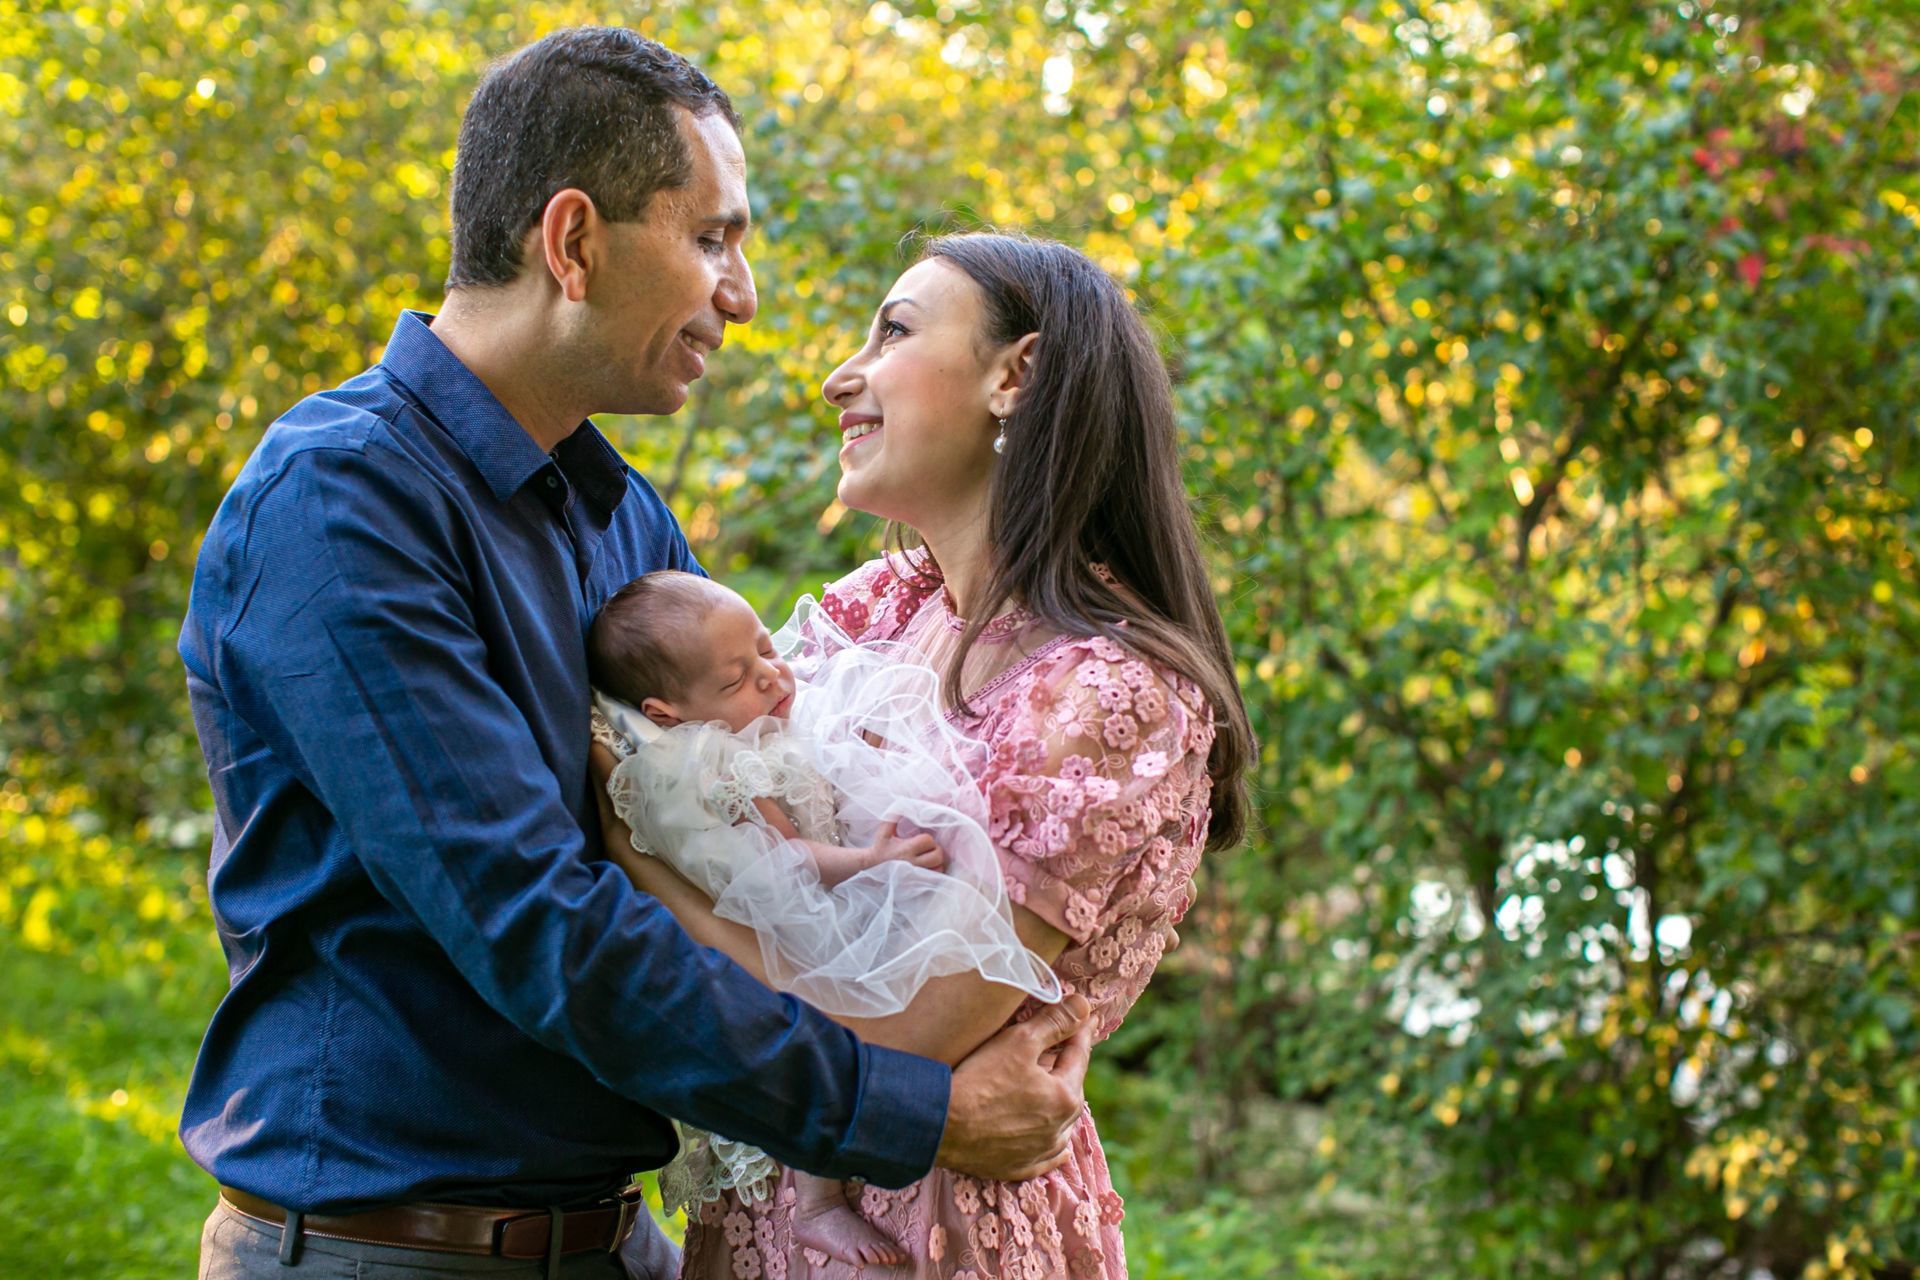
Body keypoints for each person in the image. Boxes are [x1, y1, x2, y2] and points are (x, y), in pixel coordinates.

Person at [178, 30, 1093, 1280]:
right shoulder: (340, 506)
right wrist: (913, 1113)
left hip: (621, 1242)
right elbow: (537, 920)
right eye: (712, 238)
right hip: (390, 1252)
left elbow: (728, 851)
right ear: (572, 242)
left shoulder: (626, 528)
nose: (744, 292)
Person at [591, 231, 1255, 1277]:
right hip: (771, 1206)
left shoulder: (1107, 692)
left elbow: (895, 1035)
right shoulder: (871, 612)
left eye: (892, 330)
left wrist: (642, 869)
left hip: (936, 1230)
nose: (836, 376)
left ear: (1016, 375)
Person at [585, 570, 1063, 1266]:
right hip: (781, 917)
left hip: (778, 910)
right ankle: (820, 1205)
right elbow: (793, 859)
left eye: (765, 651)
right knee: (822, 1021)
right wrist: (873, 858)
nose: (774, 678)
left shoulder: (746, 730)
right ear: (667, 713)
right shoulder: (724, 764)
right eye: (738, 680)